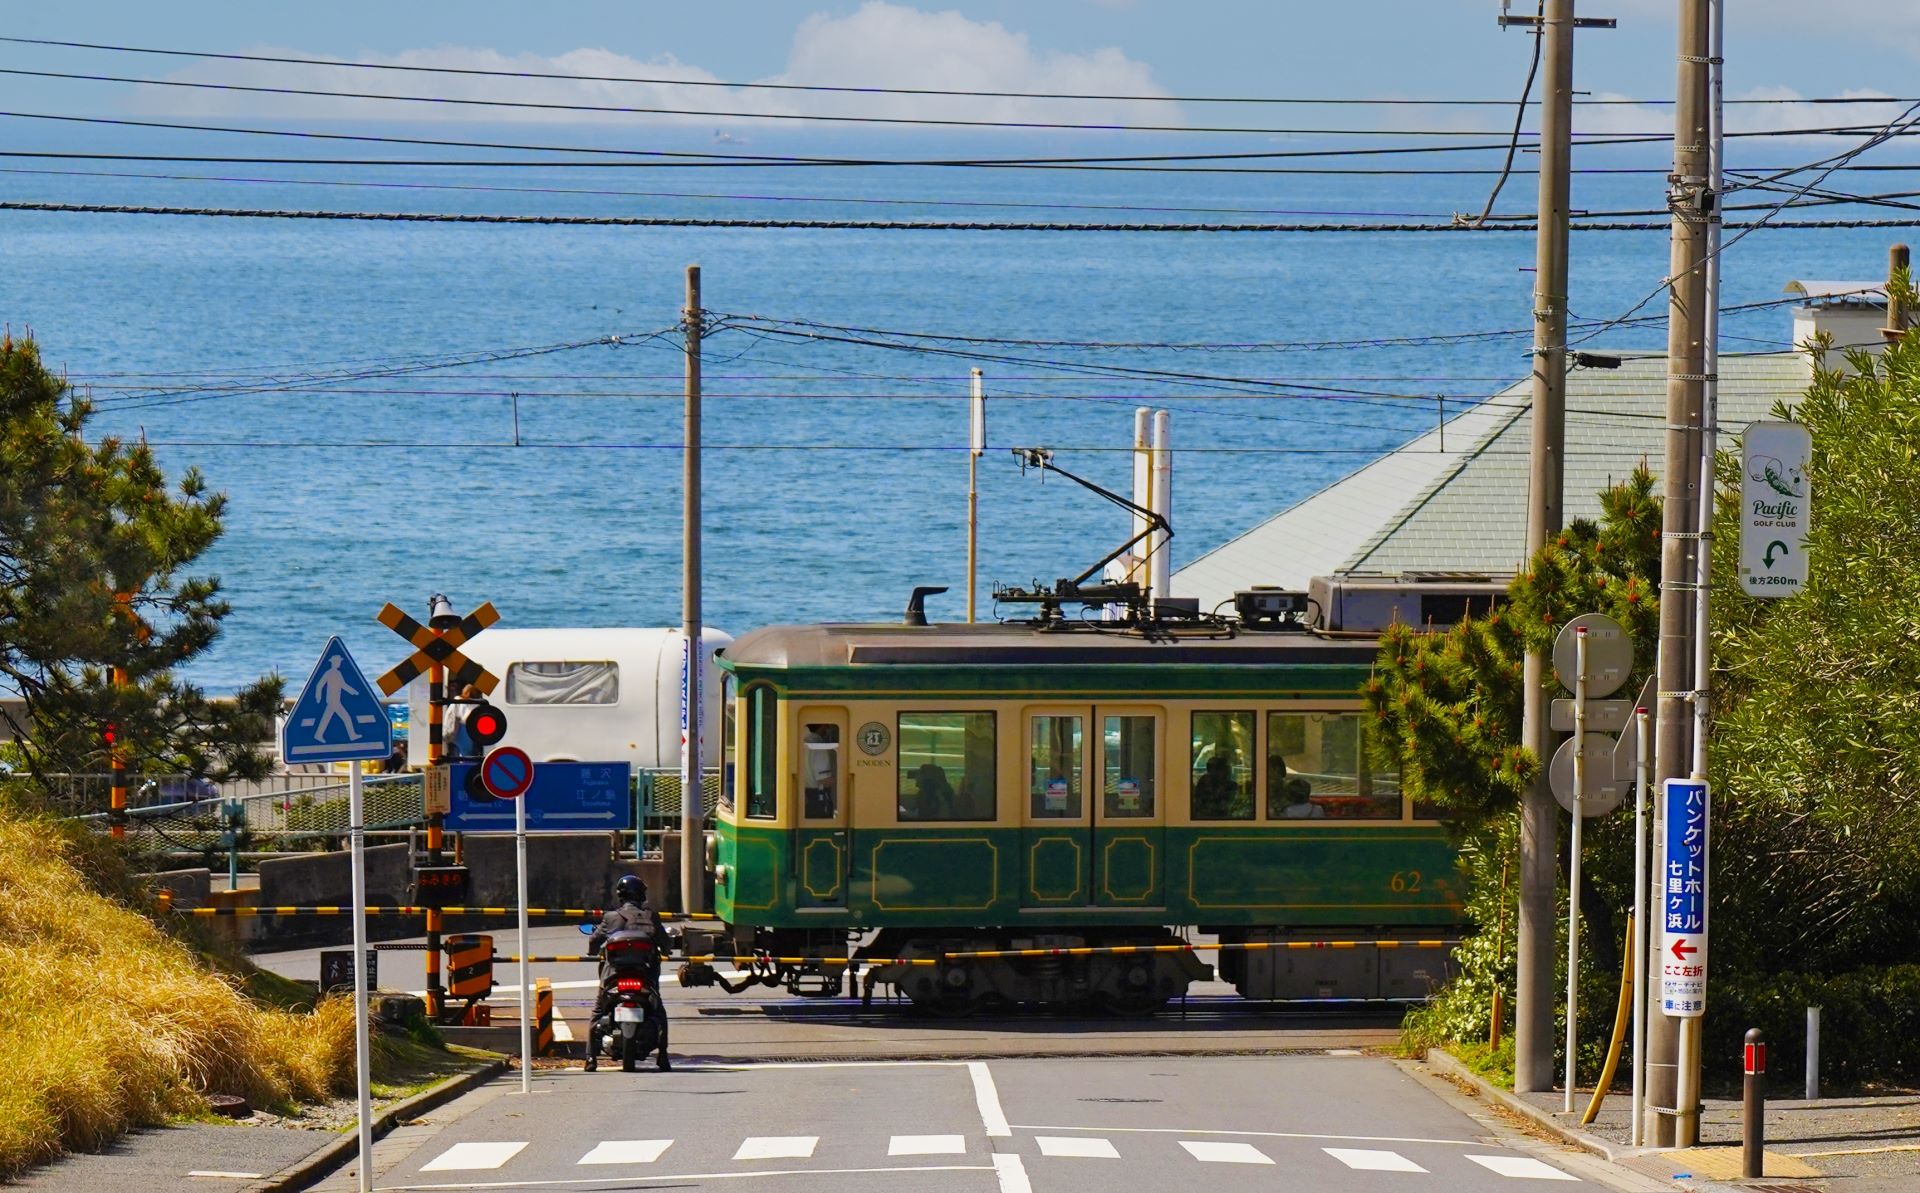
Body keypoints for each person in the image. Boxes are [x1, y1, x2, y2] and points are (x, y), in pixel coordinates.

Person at [585, 874, 670, 1071]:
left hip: (613, 977)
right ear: (641, 895)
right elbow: (666, 945)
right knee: (659, 1013)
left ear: (620, 895)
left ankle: (590, 1059)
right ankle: (663, 1057)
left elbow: (593, 941)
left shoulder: (610, 917)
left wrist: (593, 951)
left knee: (597, 1012)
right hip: (645, 977)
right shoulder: (651, 917)